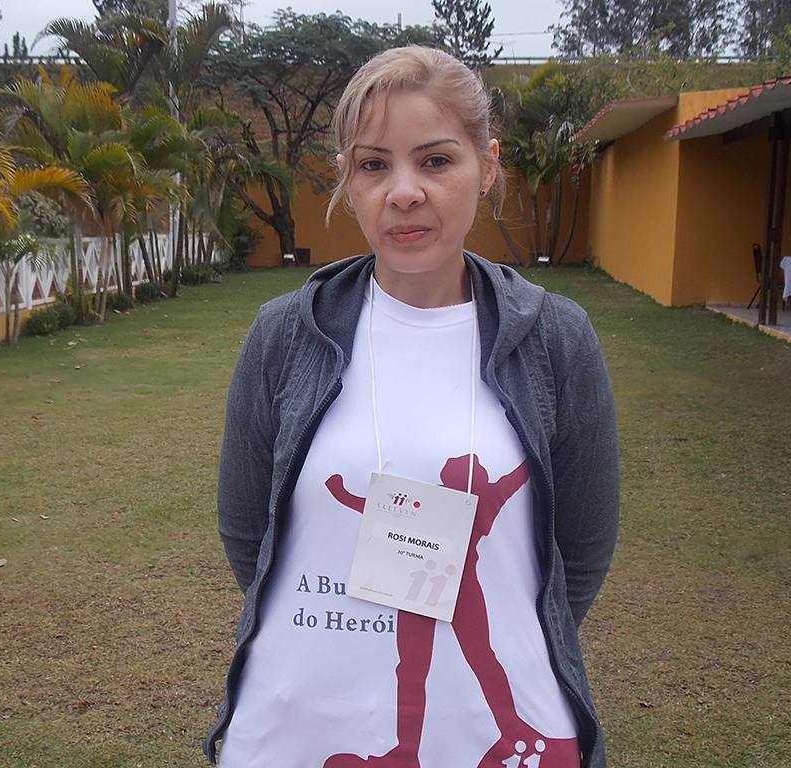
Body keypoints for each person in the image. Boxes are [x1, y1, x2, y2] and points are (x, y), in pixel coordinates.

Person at [203, 46, 618, 768]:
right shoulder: (285, 334)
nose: (403, 192)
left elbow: (579, 553)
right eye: (374, 165)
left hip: (483, 736)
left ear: (486, 166)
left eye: (436, 160)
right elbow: (247, 532)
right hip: (300, 725)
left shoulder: (555, 340)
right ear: (348, 177)